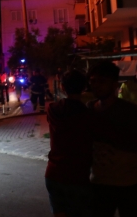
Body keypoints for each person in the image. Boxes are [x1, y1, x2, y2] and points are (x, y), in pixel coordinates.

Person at [87, 61, 137, 217]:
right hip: (98, 182)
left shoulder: (129, 111)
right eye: (93, 81)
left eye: (102, 81)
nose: (96, 85)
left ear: (115, 84)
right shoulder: (89, 108)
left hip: (127, 183)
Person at [44, 70, 93, 217]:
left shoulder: (53, 109)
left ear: (63, 88)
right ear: (84, 88)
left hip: (54, 172)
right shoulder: (88, 114)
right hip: (78, 175)